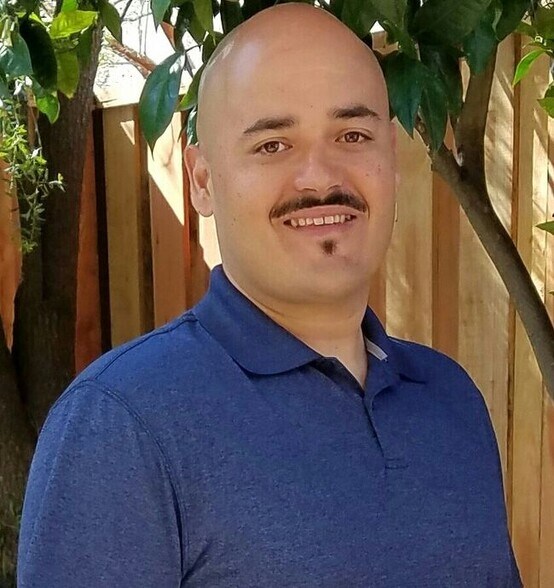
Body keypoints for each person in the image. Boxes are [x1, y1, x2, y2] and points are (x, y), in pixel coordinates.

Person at [18, 4, 522, 587]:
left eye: (352, 135)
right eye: (273, 145)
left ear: (390, 156)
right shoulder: (121, 425)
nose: (320, 176)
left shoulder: (451, 400)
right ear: (203, 181)